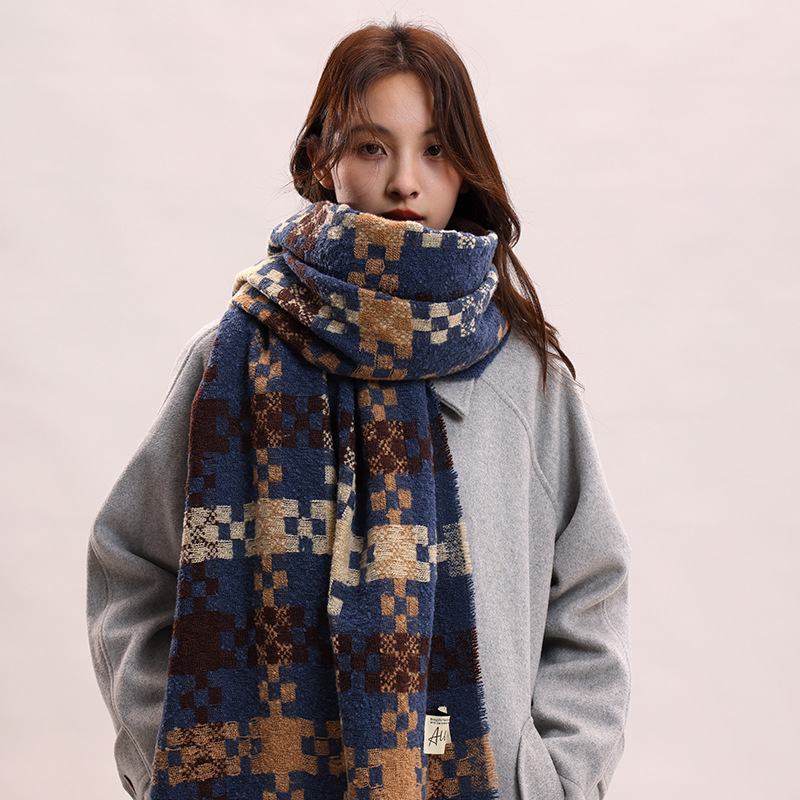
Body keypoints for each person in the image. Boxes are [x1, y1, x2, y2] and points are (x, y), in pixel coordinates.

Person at [88, 21, 630, 800]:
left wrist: (549, 779)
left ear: (466, 164)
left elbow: (590, 593)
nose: (406, 181)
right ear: (323, 159)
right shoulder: (233, 359)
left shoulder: (525, 378)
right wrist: (177, 755)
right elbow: (129, 566)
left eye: (435, 149)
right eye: (374, 147)